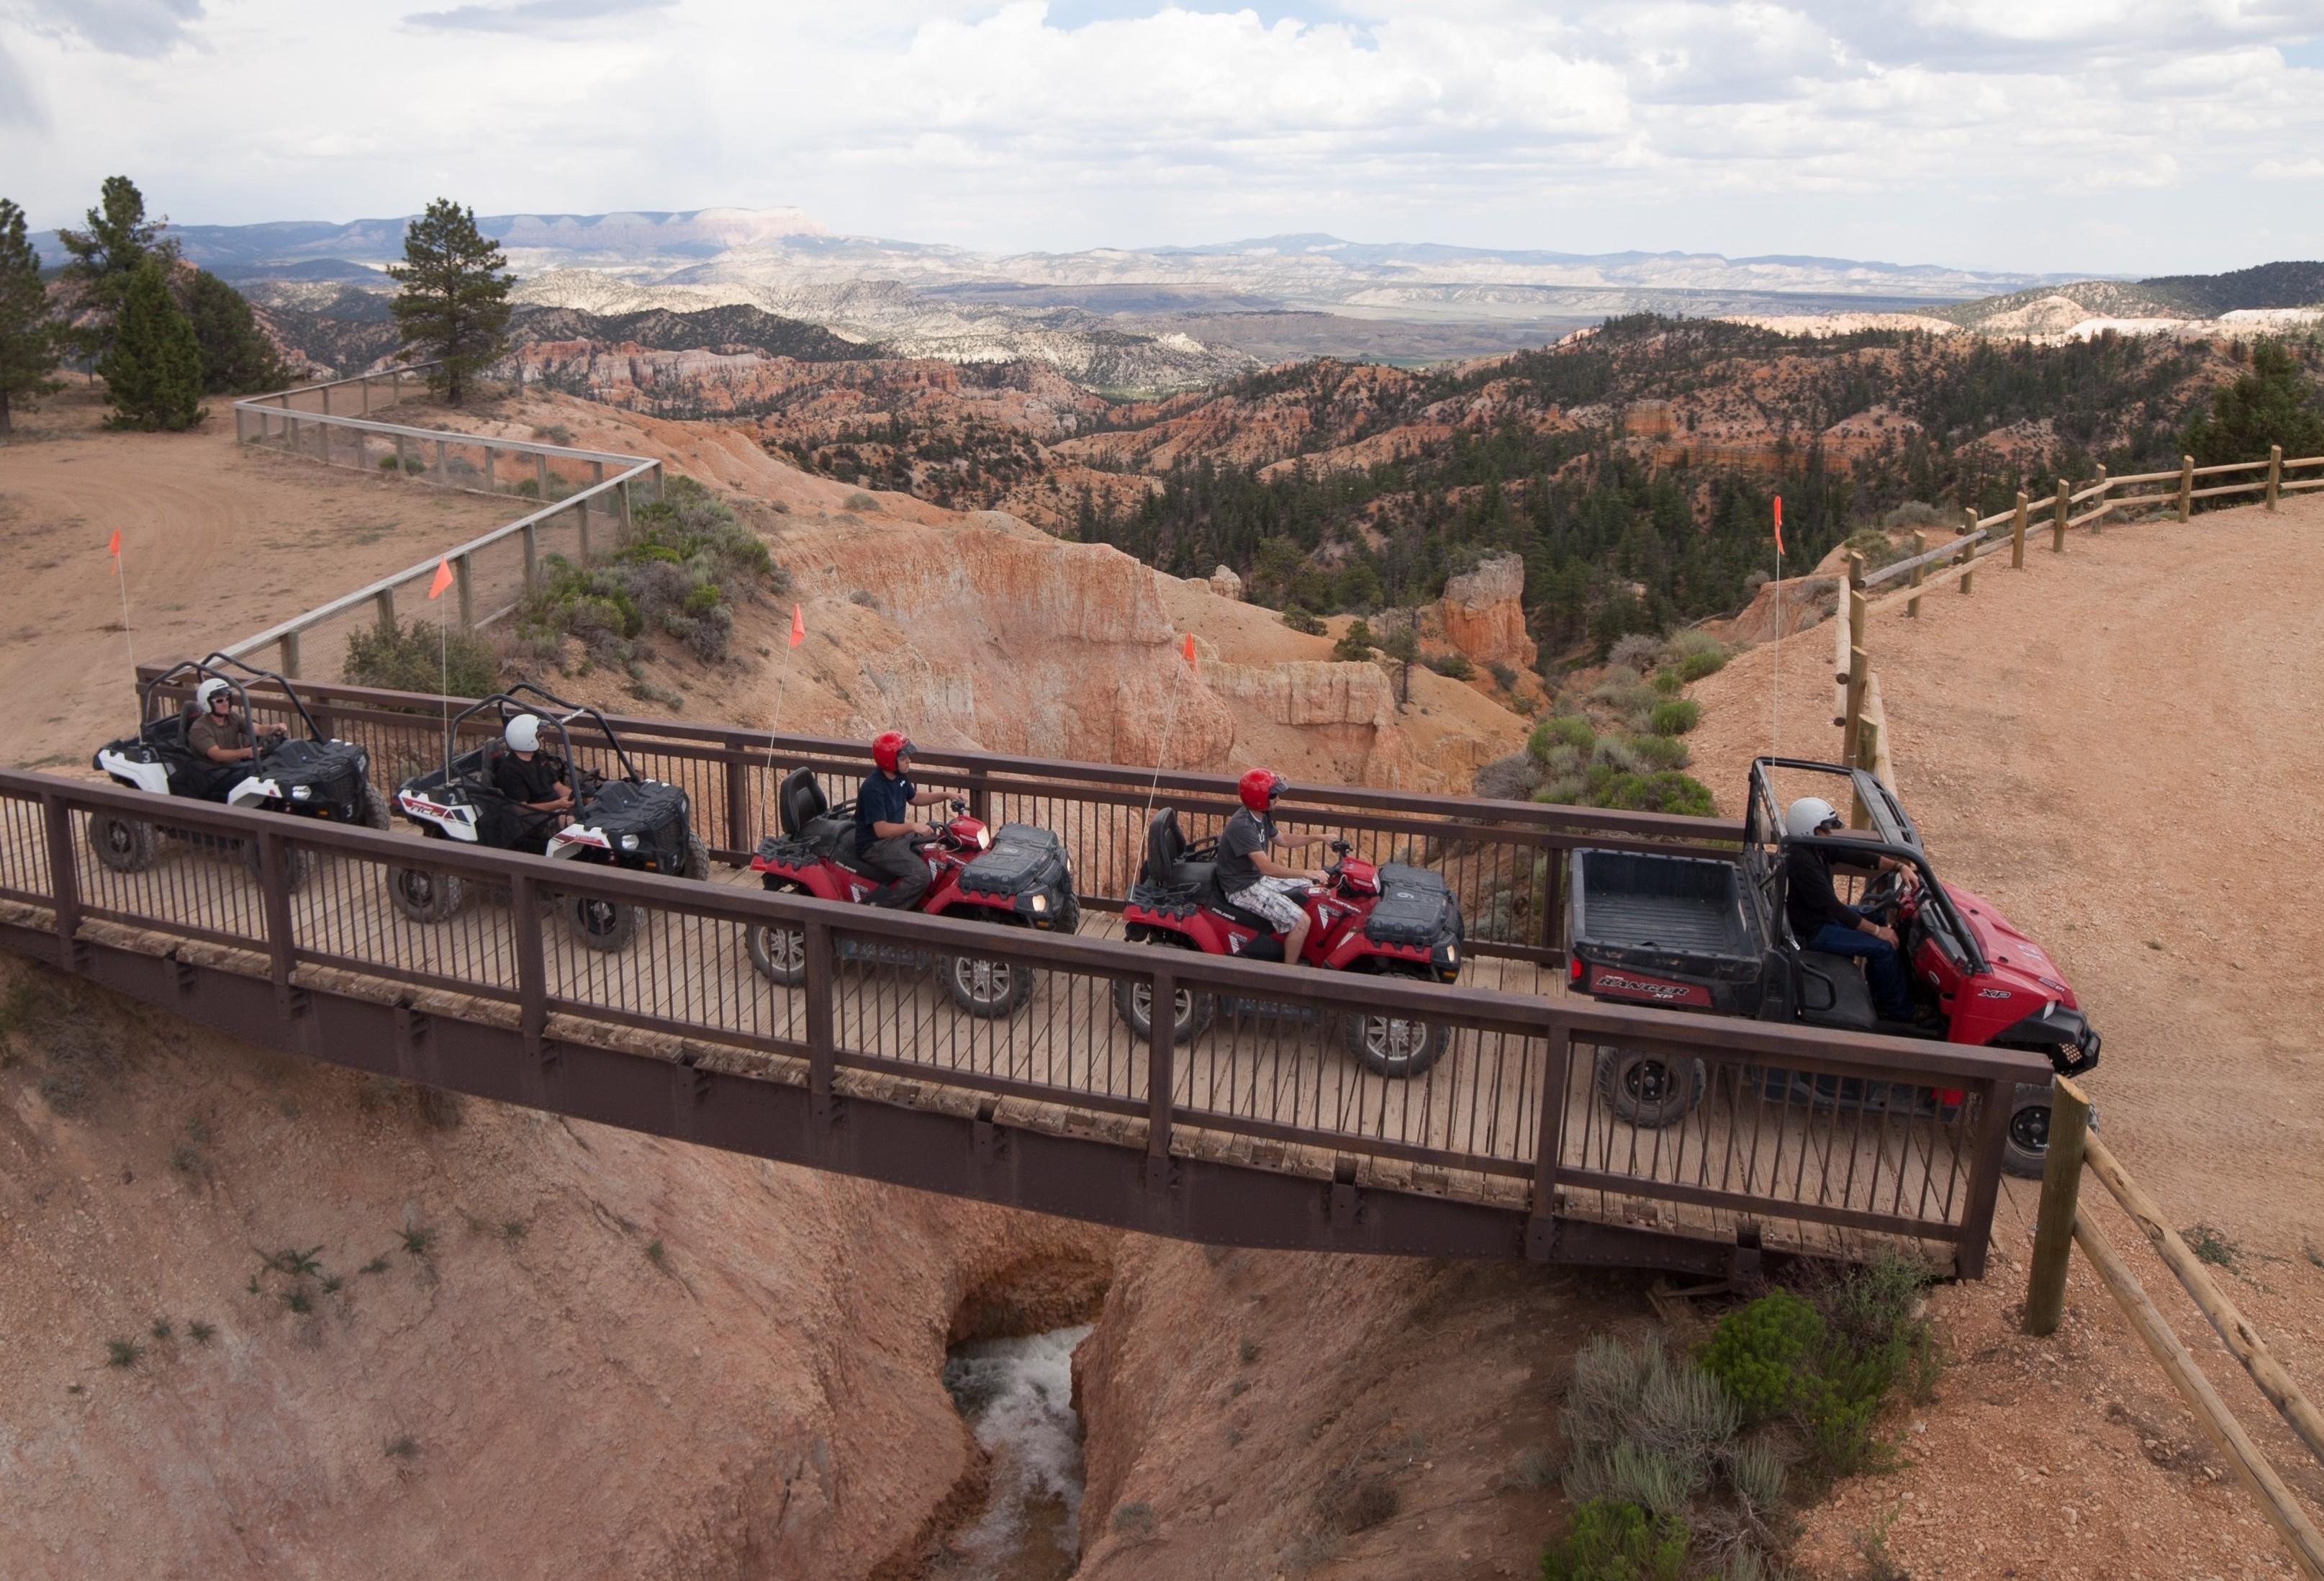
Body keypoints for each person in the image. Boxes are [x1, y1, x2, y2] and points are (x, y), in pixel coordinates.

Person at [1782, 796, 1918, 1022]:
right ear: (1809, 830)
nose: (1829, 834)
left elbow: (1855, 856)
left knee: (1875, 914)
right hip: (1811, 931)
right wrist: (1877, 931)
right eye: (1824, 830)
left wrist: (1898, 866)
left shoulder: (1817, 848)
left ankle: (1882, 990)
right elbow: (1834, 908)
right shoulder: (1802, 861)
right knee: (1882, 947)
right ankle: (1898, 1013)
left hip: (1820, 918)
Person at [1216, 767, 1331, 965]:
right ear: (1260, 798)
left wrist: (1319, 838)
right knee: (1301, 921)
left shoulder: (1260, 816)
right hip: (1242, 888)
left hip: (1255, 879)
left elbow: (1284, 839)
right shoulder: (1242, 826)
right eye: (1274, 794)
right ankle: (1287, 976)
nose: (1278, 798)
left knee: (1311, 889)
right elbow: (1266, 868)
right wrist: (1308, 871)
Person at [855, 731, 952, 909]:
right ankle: (886, 914)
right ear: (889, 761)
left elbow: (915, 798)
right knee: (921, 875)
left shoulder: (899, 777)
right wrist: (912, 826)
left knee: (935, 841)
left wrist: (947, 795)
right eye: (903, 758)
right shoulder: (874, 788)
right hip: (876, 845)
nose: (909, 761)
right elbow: (881, 830)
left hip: (895, 837)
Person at [187, 678, 282, 793]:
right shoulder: (200, 728)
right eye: (219, 701)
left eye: (227, 699)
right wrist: (246, 752)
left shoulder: (232, 717)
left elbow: (257, 729)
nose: (225, 703)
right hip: (215, 775)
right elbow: (217, 755)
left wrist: (273, 728)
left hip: (236, 769)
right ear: (206, 703)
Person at [493, 714, 575, 839]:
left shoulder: (538, 757)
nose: (542, 739)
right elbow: (521, 809)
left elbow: (558, 787)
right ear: (527, 739)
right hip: (532, 822)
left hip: (556, 811)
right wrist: (558, 804)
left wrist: (578, 797)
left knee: (592, 812)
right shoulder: (509, 771)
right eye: (539, 736)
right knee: (575, 824)